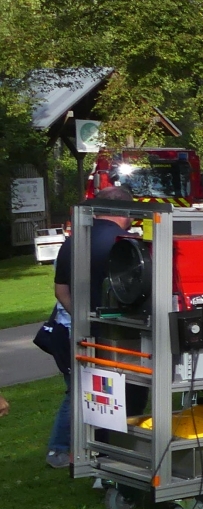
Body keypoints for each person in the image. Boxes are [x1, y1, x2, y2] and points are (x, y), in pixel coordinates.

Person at [46, 185, 135, 468]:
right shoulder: (126, 244)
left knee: (80, 390)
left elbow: (61, 290)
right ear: (127, 211)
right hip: (119, 335)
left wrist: (84, 318)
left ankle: (66, 450)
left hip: (76, 331)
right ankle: (104, 451)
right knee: (117, 394)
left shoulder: (72, 242)